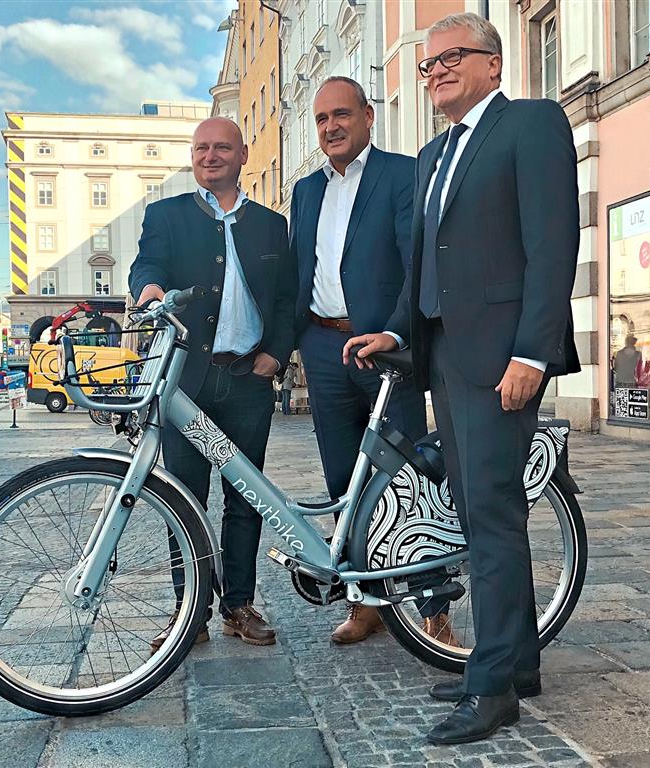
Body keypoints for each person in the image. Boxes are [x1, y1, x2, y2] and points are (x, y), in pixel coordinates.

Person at [343, 13, 580, 745]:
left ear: (493, 65)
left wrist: (532, 354)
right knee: (479, 515)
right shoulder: (433, 153)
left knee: (492, 520)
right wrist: (396, 329)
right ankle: (514, 660)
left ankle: (492, 691)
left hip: (499, 358)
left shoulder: (530, 124)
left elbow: (552, 240)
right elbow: (425, 264)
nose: (438, 69)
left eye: (454, 57)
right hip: (442, 357)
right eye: (428, 62)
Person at [129, 116, 296, 651]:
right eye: (202, 148)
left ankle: (238, 605)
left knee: (246, 498)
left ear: (242, 155)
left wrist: (276, 353)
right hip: (189, 385)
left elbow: (288, 297)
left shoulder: (271, 224)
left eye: (222, 147)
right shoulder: (166, 215)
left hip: (248, 379)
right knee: (186, 499)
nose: (210, 156)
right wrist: (149, 288)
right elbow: (145, 265)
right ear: (193, 156)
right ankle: (190, 613)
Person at [290, 76, 429, 645]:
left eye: (341, 115)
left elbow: (416, 266)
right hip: (323, 347)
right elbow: (300, 267)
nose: (331, 127)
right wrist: (298, 339)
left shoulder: (401, 173)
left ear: (368, 117)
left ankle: (432, 604)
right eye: (321, 119)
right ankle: (365, 602)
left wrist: (395, 334)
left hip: (381, 348)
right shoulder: (305, 190)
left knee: (408, 479)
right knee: (343, 479)